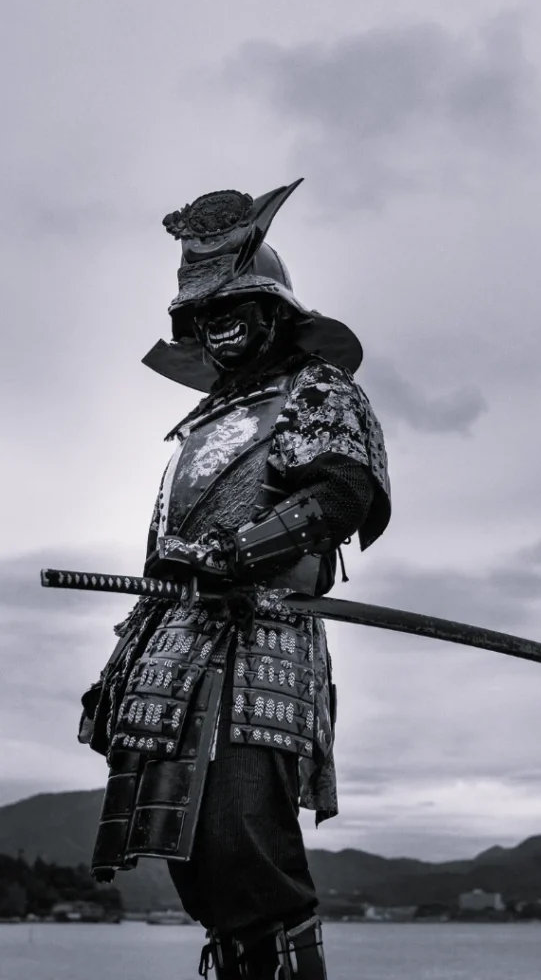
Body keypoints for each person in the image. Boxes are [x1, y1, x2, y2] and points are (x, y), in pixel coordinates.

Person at [78, 180, 391, 978]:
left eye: (231, 313)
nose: (215, 334)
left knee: (243, 835)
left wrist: (241, 550)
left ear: (273, 313)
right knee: (188, 850)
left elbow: (338, 495)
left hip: (260, 631)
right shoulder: (201, 424)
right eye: (199, 320)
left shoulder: (315, 390)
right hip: (171, 641)